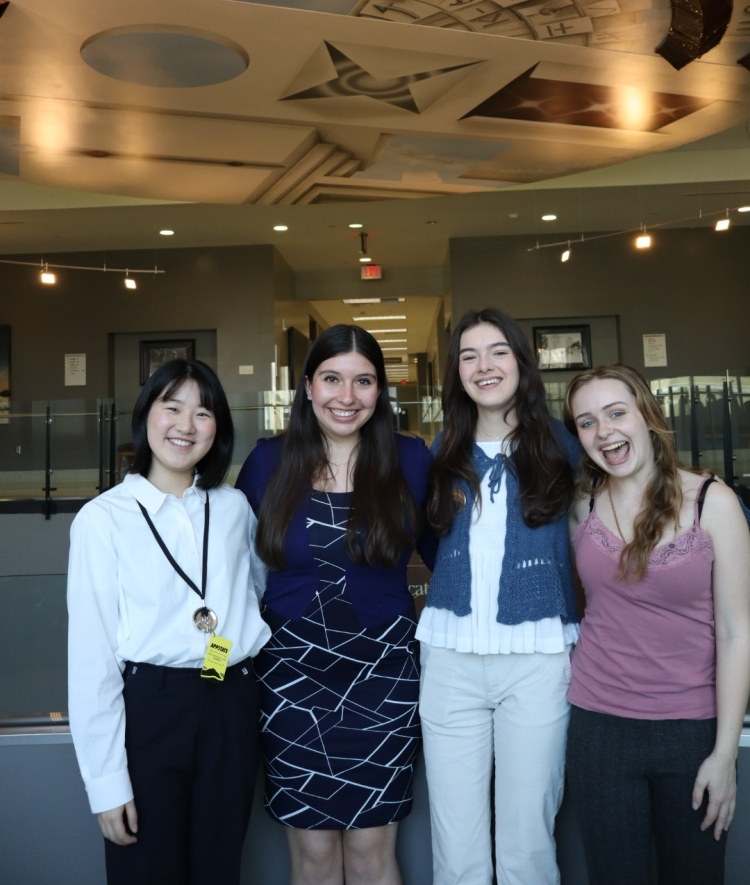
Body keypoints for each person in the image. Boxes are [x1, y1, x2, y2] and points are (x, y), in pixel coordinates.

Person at [235, 324, 436, 885]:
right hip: (292, 681)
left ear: (380, 390)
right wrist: (211, 670)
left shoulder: (411, 460)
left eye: (363, 381)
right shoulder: (266, 463)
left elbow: (455, 564)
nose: (346, 397)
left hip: (385, 680)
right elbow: (229, 584)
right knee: (316, 858)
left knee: (373, 854)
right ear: (306, 386)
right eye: (331, 379)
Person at [67, 359, 270, 885]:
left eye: (203, 413)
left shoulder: (234, 508)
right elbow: (92, 661)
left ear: (218, 428)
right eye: (172, 407)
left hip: (229, 697)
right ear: (146, 415)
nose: (186, 425)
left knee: (219, 867)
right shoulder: (103, 519)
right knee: (147, 869)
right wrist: (107, 784)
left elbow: (256, 595)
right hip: (152, 710)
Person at [564, 364, 750, 885]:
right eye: (586, 422)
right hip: (598, 731)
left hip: (691, 734)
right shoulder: (582, 506)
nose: (604, 432)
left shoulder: (715, 504)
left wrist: (724, 754)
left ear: (647, 415)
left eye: (617, 413)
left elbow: (737, 632)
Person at [419, 308, 581, 885]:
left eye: (497, 352)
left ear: (520, 362)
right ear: (456, 372)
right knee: (456, 844)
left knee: (528, 841)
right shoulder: (441, 449)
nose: (483, 366)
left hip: (536, 661)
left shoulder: (564, 445)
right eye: (468, 355)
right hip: (450, 661)